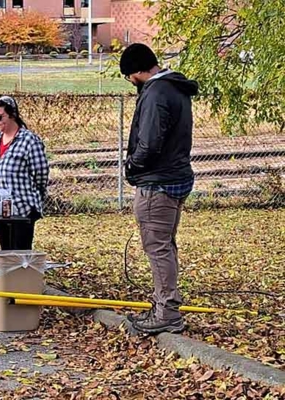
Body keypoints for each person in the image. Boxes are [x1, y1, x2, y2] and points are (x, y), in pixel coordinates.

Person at [120, 43, 199, 334]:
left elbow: (150, 143)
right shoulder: (175, 88)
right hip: (175, 176)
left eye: (129, 76)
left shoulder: (155, 93)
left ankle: (166, 312)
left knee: (157, 247)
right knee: (165, 244)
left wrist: (133, 166)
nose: (130, 83)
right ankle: (165, 305)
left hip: (157, 182)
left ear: (138, 71)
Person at [0, 96, 49, 250]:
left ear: (12, 115)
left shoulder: (29, 140)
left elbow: (41, 173)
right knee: (6, 252)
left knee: (20, 253)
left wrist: (35, 198)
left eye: (0, 117)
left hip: (22, 208)